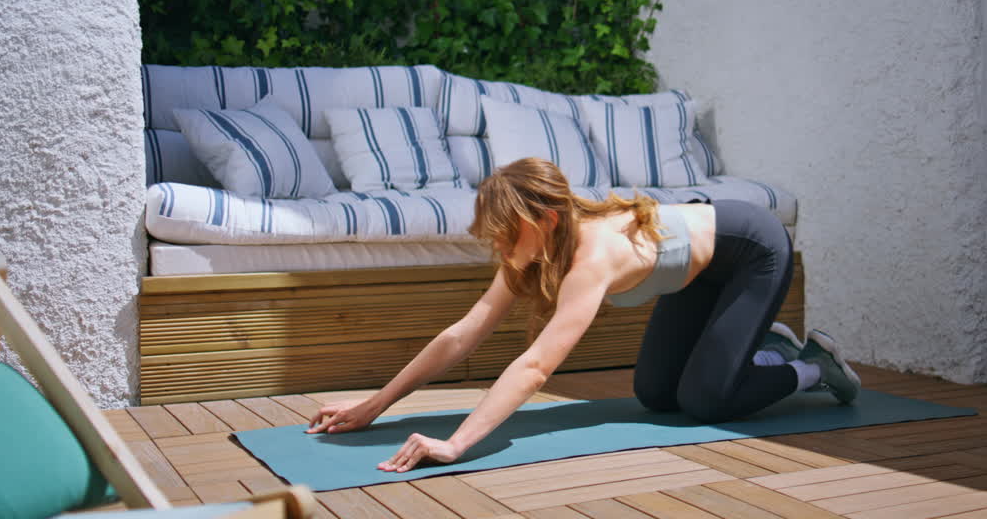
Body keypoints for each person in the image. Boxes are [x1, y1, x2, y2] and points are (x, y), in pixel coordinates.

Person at [306, 157, 861, 473]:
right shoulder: (533, 251)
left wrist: (457, 444)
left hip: (751, 251)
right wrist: (374, 404)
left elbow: (535, 368)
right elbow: (465, 333)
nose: (499, 247)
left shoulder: (594, 257)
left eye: (505, 234)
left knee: (705, 401)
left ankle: (811, 364)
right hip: (699, 269)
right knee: (658, 394)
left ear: (545, 219)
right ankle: (761, 348)